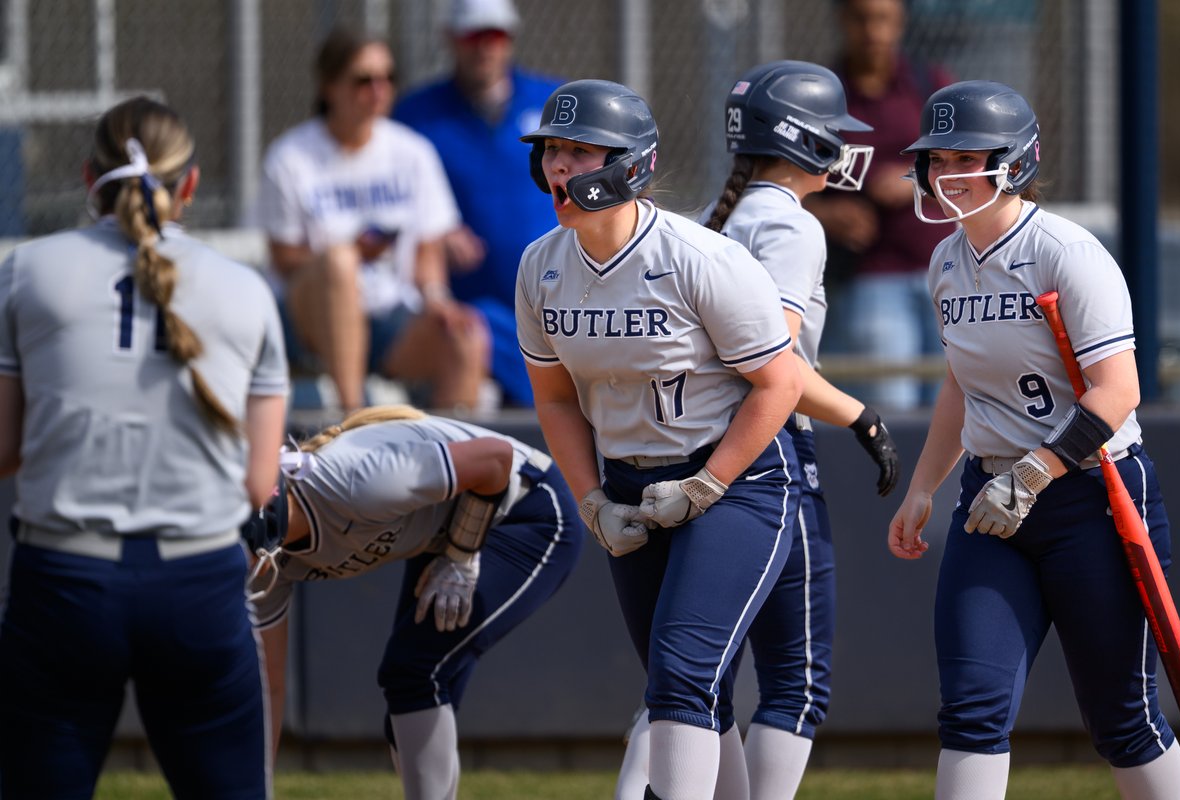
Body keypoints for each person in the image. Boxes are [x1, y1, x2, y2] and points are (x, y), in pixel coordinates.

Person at [888, 81, 1180, 800]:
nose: (946, 172)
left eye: (968, 156)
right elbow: (962, 383)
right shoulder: (946, 261)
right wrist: (925, 485)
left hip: (1093, 494)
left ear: (1016, 161)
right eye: (936, 158)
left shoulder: (1066, 252)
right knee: (971, 709)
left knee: (1123, 717)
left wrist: (1033, 474)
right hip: (989, 501)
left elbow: (1118, 393)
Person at [614, 60, 902, 800]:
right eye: (833, 133)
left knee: (687, 675)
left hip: (686, 443)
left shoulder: (720, 209)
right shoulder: (788, 223)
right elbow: (769, 362)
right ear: (803, 139)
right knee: (790, 679)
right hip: (763, 450)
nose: (844, 147)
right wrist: (860, 415)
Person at [515, 78, 804, 800]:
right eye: (553, 149)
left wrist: (708, 484)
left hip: (737, 483)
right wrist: (590, 501)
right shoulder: (541, 266)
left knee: (680, 676)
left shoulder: (698, 257)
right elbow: (554, 398)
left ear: (631, 163)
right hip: (629, 485)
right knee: (691, 691)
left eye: (580, 151)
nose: (559, 165)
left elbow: (782, 384)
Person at [0, 96, 289, 799]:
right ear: (188, 184)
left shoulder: (25, 271)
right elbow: (261, 486)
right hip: (198, 587)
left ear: (86, 175)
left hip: (64, 581)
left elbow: (5, 449)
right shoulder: (246, 291)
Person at [243, 404, 583, 799]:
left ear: (263, 519)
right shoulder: (265, 566)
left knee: (413, 673)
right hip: (444, 528)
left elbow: (495, 459)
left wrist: (459, 554)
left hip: (525, 507)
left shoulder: (354, 481)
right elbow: (267, 690)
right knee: (409, 700)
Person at [258, 26, 490, 413]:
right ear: (329, 86)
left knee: (467, 337)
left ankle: (449, 465)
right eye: (363, 80)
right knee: (338, 262)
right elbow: (284, 260)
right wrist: (348, 257)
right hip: (309, 320)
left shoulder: (412, 151)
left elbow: (428, 254)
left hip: (388, 313)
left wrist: (437, 301)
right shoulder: (291, 156)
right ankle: (356, 423)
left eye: (387, 79)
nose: (378, 90)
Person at [393, 0, 562, 408]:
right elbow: (391, 197)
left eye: (494, 35)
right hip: (470, 306)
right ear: (451, 39)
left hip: (554, 295)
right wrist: (437, 228)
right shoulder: (415, 116)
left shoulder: (554, 104)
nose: (484, 47)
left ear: (510, 39)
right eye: (473, 36)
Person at [805, 0, 955, 410]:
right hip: (869, 278)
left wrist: (914, 180)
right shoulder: (821, 97)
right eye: (861, 18)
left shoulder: (929, 85)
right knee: (892, 409)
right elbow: (784, 185)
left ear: (900, 21)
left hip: (944, 271)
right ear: (842, 20)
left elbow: (970, 163)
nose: (873, 30)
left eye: (883, 18)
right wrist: (827, 215)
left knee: (956, 412)